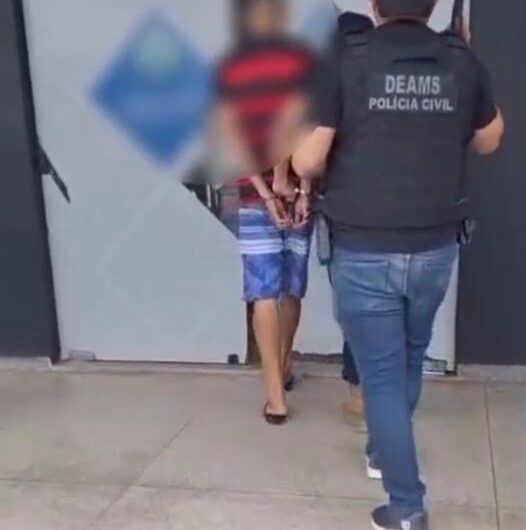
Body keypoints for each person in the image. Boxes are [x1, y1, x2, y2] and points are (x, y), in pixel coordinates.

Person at [292, 0, 504, 528]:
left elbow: (307, 160)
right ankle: (384, 451)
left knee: (382, 376)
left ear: (374, 5)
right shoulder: (459, 58)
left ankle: (407, 508)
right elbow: (490, 139)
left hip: (364, 248)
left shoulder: (347, 58)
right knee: (408, 359)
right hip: (435, 247)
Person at [214, 0, 316, 425]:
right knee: (289, 287)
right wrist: (299, 188)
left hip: (258, 194)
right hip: (296, 192)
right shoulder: (302, 66)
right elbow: (308, 131)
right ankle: (284, 367)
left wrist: (266, 191)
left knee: (265, 291)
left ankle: (276, 396)